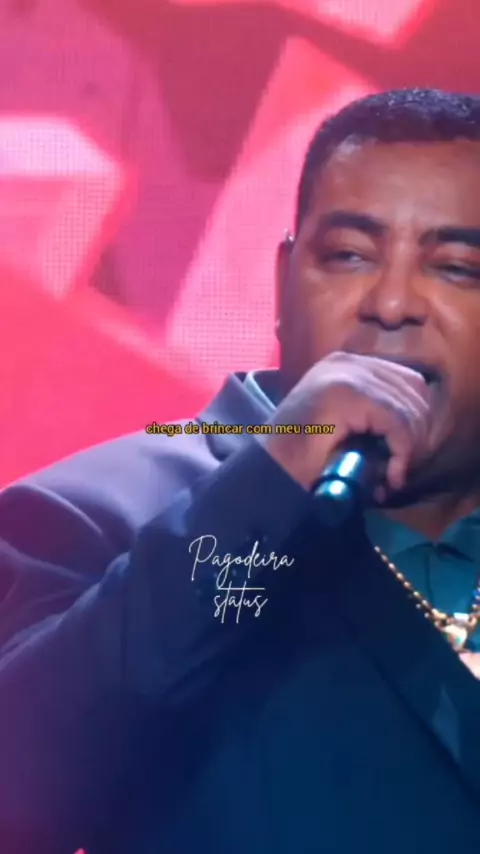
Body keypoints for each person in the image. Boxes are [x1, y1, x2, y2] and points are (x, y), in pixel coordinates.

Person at [2, 87, 480, 854]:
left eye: (455, 268)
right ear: (286, 282)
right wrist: (269, 484)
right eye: (349, 256)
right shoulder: (99, 511)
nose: (392, 303)